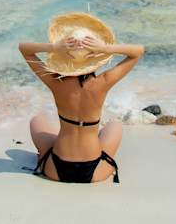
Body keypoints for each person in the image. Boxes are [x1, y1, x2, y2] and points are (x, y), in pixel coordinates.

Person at [18, 12, 145, 184]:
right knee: (115, 125)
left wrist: (54, 47)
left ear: (64, 57)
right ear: (94, 57)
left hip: (55, 169)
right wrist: (105, 48)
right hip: (94, 172)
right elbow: (138, 52)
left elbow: (24, 49)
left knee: (37, 120)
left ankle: (44, 155)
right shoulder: (103, 82)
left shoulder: (56, 83)